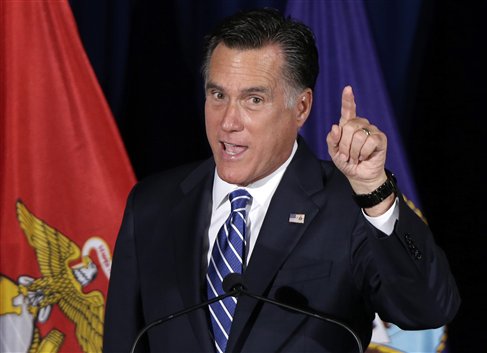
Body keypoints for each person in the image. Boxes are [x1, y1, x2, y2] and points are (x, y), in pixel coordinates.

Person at [103, 8, 460, 353]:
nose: (228, 121)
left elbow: (427, 309)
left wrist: (374, 192)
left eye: (253, 99)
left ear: (301, 107)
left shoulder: (349, 206)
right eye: (218, 95)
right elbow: (125, 342)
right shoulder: (152, 205)